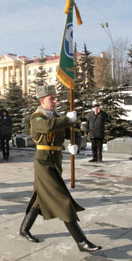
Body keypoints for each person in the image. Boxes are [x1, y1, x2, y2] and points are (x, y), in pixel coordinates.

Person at [19, 85, 101, 252]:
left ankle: (24, 228)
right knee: (62, 200)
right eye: (51, 99)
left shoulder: (57, 117)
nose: (55, 101)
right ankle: (81, 241)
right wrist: (68, 120)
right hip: (43, 163)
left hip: (55, 162)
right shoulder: (37, 117)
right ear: (42, 101)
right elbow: (48, 126)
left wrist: (75, 145)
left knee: (39, 198)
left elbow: (73, 134)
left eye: (55, 98)